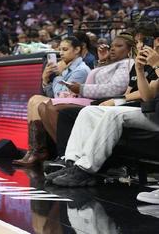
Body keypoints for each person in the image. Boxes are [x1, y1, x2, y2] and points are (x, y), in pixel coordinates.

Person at [48, 46, 159, 187]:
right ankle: (71, 164)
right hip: (152, 112)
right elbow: (148, 96)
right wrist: (139, 70)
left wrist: (157, 65)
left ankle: (85, 170)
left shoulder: (156, 64)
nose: (154, 49)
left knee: (113, 114)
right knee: (88, 111)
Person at [12, 36, 90, 167]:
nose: (61, 53)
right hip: (62, 101)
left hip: (74, 104)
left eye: (65, 49)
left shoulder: (81, 70)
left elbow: (61, 95)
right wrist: (45, 79)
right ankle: (34, 150)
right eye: (60, 50)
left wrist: (57, 76)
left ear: (77, 50)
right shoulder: (66, 67)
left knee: (37, 100)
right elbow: (52, 94)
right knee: (34, 100)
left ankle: (39, 151)